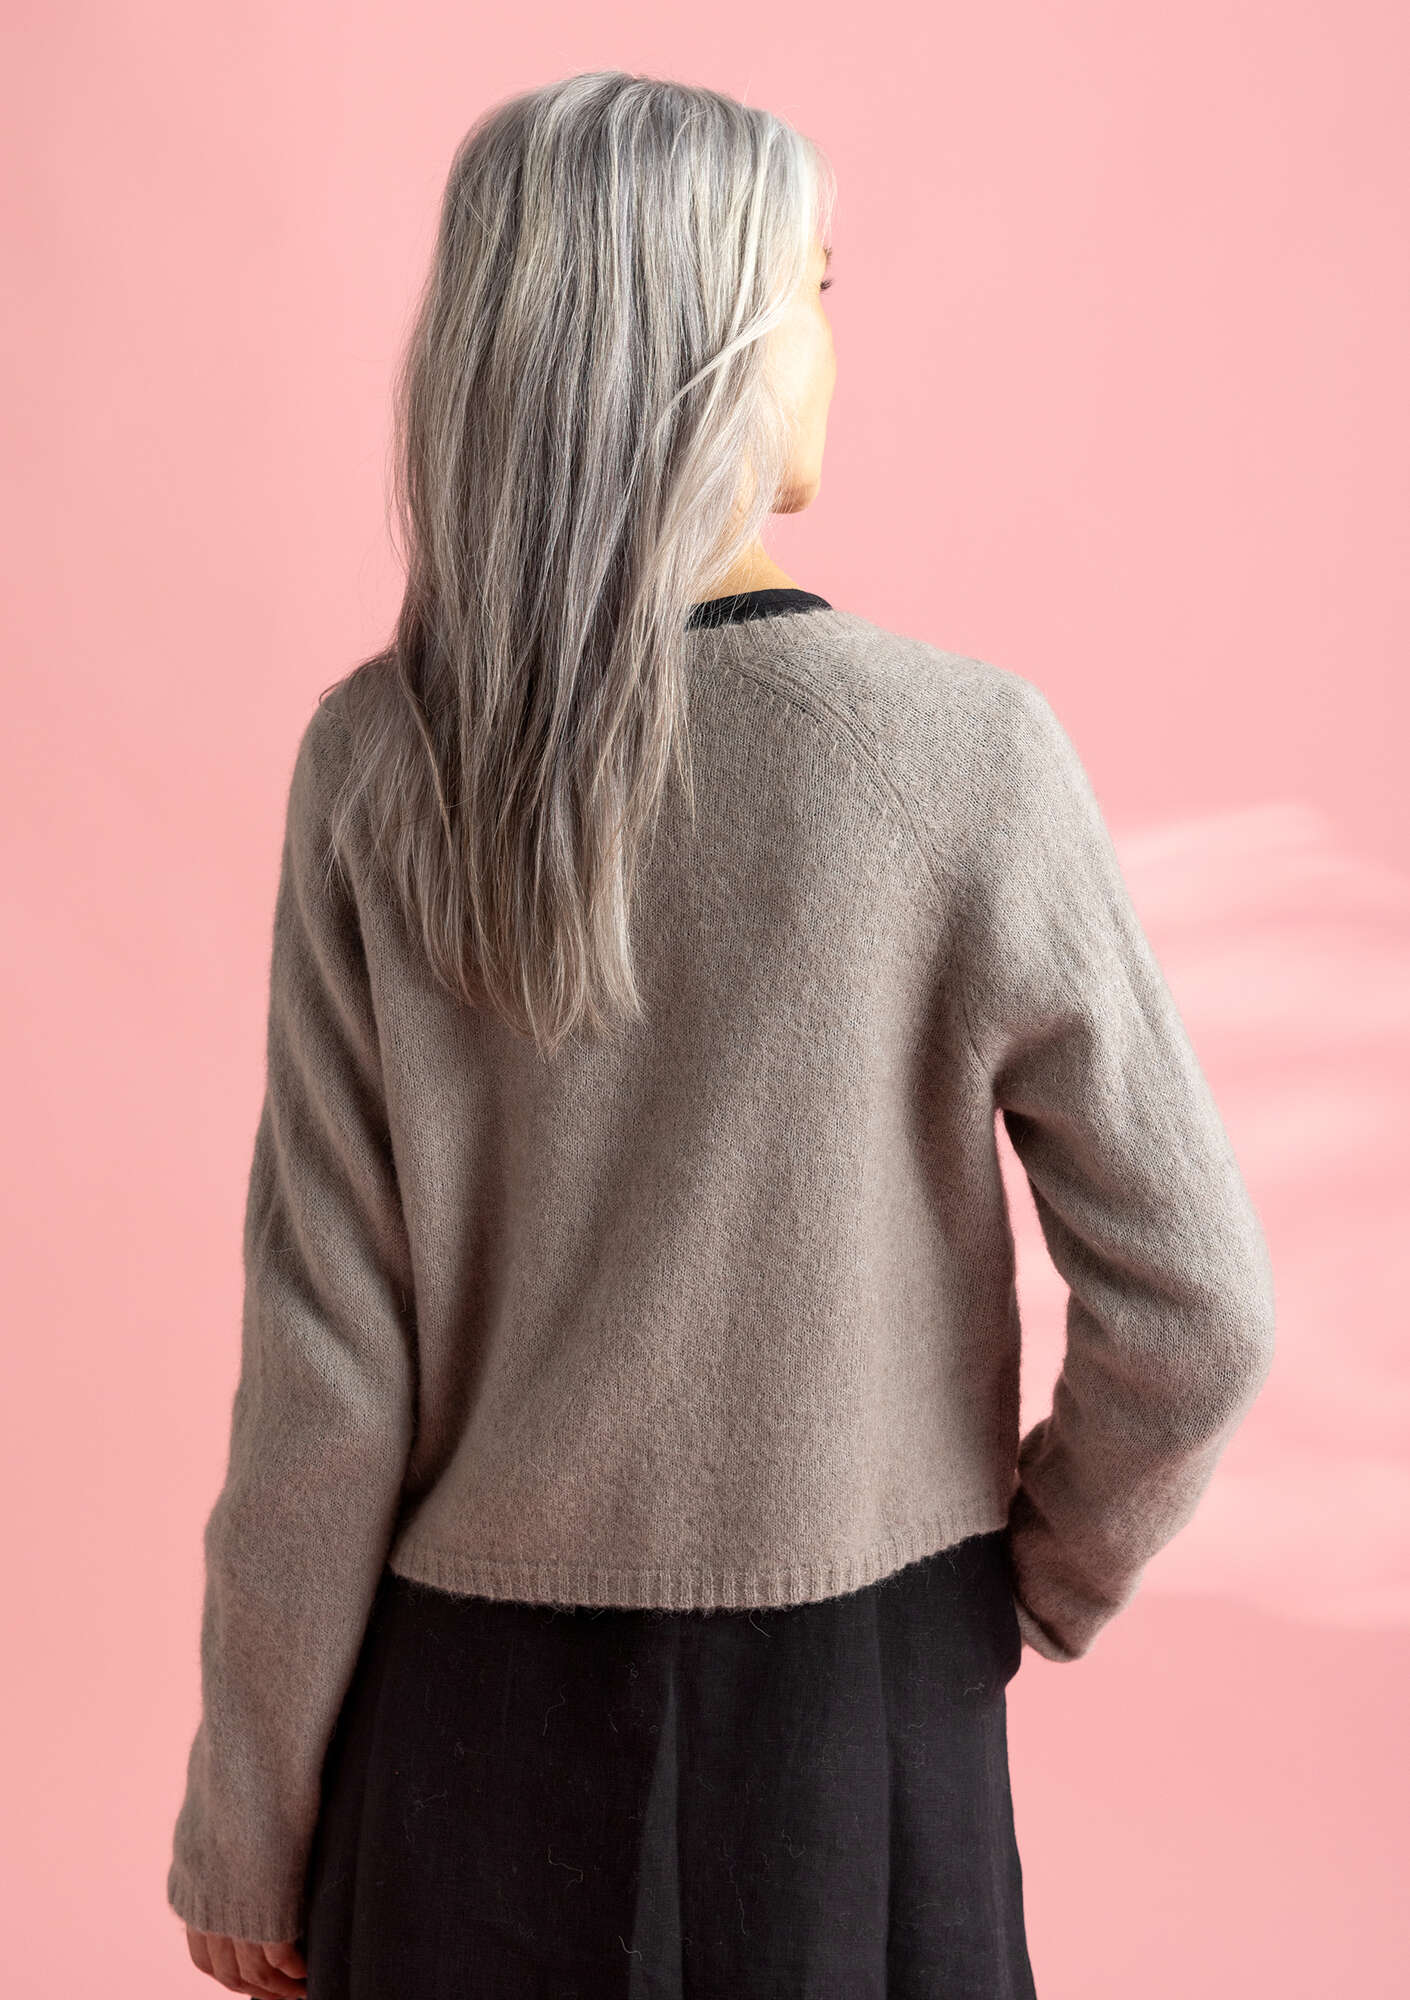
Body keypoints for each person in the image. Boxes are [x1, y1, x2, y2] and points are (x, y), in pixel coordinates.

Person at [165, 69, 1276, 2000]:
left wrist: (248, 1817)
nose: (834, 345)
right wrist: (1032, 1579)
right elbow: (1197, 1312)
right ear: (711, 346)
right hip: (857, 1717)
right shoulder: (957, 758)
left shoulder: (378, 762)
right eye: (813, 288)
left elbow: (323, 1370)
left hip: (455, 1735)